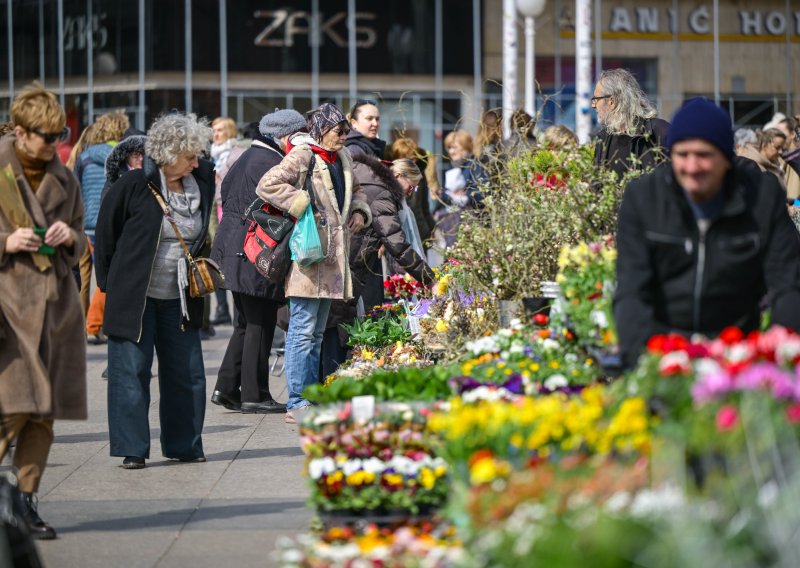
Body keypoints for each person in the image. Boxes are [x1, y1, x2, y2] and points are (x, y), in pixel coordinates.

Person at [614, 97, 800, 369]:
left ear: (726, 157)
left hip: (737, 351)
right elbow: (631, 291)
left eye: (703, 155)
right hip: (663, 348)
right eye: (682, 154)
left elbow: (788, 286)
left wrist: (778, 358)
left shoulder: (762, 198)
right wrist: (643, 363)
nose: (692, 167)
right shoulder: (644, 199)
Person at [95, 112, 214, 469]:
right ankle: (133, 448)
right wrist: (110, 285)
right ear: (167, 153)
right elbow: (105, 236)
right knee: (131, 372)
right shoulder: (133, 186)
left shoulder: (202, 181)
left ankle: (185, 444)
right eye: (189, 155)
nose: (196, 162)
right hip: (136, 295)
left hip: (180, 297)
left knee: (187, 373)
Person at [0, 84, 87, 539]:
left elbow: (79, 235)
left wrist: (70, 237)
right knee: (11, 407)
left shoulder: (65, 176)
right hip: (6, 312)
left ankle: (25, 502)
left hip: (54, 309)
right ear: (19, 131)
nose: (56, 143)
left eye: (61, 134)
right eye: (47, 135)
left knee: (42, 412)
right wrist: (6, 242)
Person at [257, 103, 371, 423]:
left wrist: (360, 211)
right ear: (321, 129)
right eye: (340, 131)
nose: (345, 136)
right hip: (308, 257)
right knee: (302, 330)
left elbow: (356, 191)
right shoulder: (304, 154)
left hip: (331, 259)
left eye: (347, 130)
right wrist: (301, 203)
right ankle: (297, 400)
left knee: (317, 332)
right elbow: (268, 184)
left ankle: (311, 396)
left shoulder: (341, 157)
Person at [210, 109, 307, 414]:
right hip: (254, 251)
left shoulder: (245, 158)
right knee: (258, 322)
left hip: (233, 249)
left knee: (245, 321)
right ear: (283, 136)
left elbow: (225, 195)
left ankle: (226, 388)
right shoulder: (270, 162)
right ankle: (254, 393)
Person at [75, 110, 130, 345]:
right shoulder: (120, 155)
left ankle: (82, 324)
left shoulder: (84, 156)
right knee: (108, 274)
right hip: (109, 221)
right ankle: (95, 324)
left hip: (87, 222)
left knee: (86, 276)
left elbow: (76, 188)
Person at [591, 68, 669, 177]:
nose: (593, 105)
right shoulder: (603, 139)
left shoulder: (658, 132)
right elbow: (595, 185)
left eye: (596, 99)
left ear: (611, 102)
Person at [209, 117, 240, 327]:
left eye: (220, 130)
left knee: (228, 257)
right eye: (214, 130)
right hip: (212, 209)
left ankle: (233, 306)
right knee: (215, 258)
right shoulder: (213, 154)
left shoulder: (234, 153)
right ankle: (222, 308)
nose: (216, 134)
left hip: (225, 208)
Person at [390, 137, 436, 249]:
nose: (413, 162)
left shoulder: (420, 177)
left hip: (420, 230)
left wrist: (431, 228)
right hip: (400, 234)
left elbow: (424, 206)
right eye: (408, 159)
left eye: (414, 158)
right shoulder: (392, 179)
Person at [775, 116, 800, 201]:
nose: (777, 138)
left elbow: (797, 196)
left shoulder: (796, 158)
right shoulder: (784, 156)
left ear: (792, 134)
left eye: (780, 133)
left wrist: (796, 205)